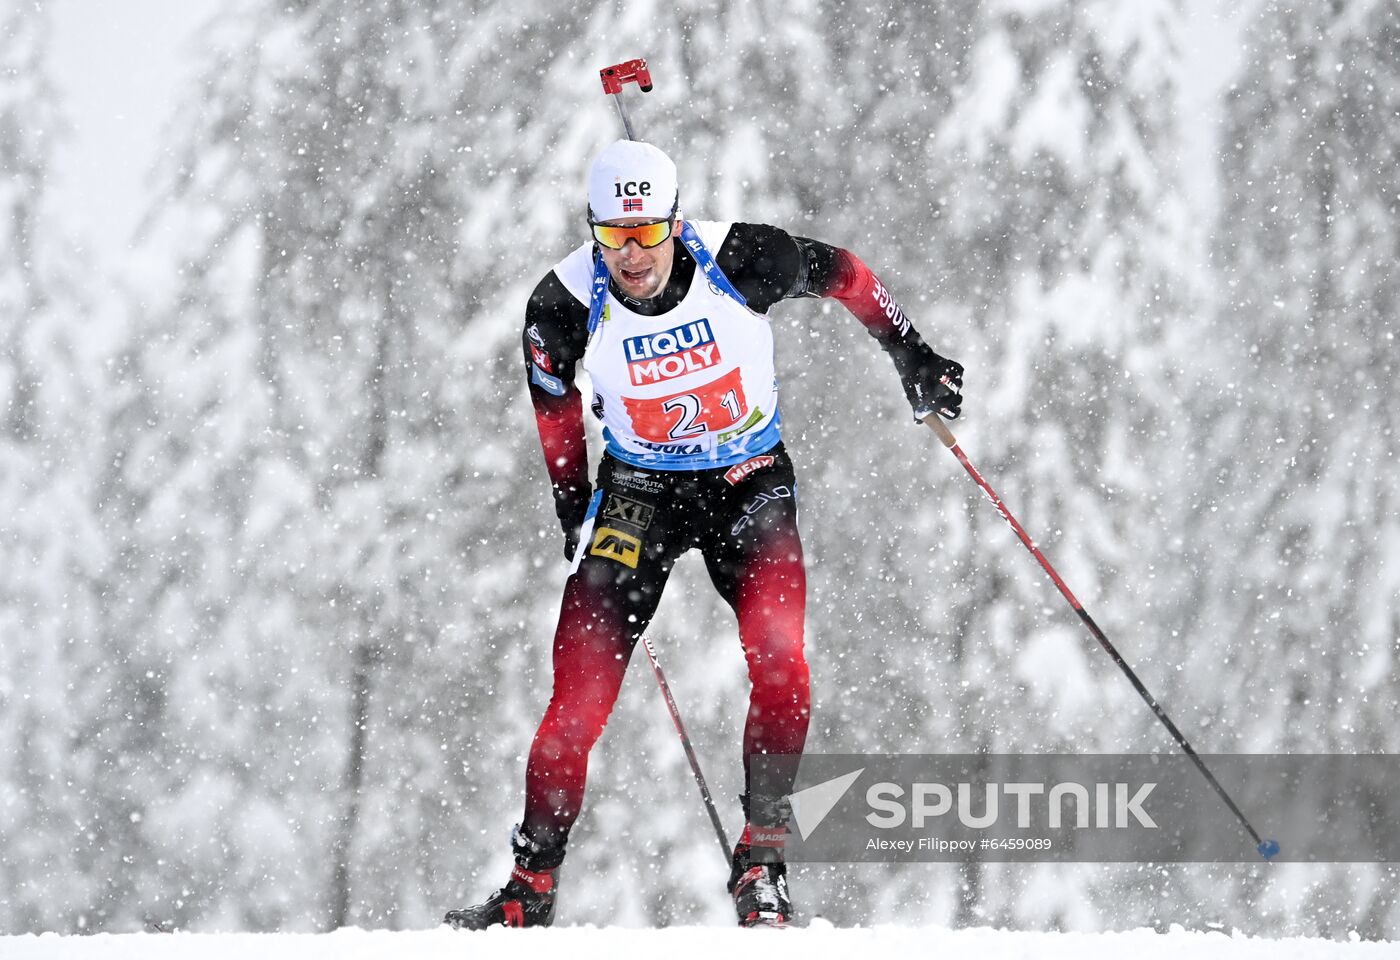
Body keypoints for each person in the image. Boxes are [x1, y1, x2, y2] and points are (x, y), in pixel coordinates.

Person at [445, 140, 963, 929]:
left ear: (673, 222)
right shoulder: (560, 303)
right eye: (613, 236)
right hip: (639, 494)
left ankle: (763, 865)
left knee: (782, 658)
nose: (632, 255)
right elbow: (551, 402)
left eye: (648, 233)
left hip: (746, 481)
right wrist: (570, 500)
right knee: (577, 698)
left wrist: (912, 357)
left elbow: (850, 275)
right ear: (594, 231)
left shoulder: (743, 258)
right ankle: (530, 886)